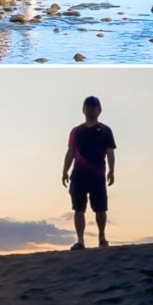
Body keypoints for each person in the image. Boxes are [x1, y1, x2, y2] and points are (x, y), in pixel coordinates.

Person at [62, 96, 117, 250]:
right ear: (83, 109)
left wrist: (112, 171)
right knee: (78, 208)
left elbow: (110, 152)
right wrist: (65, 170)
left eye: (94, 107)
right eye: (88, 106)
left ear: (99, 110)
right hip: (79, 174)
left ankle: (102, 237)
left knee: (100, 208)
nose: (91, 109)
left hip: (97, 175)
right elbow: (71, 151)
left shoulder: (105, 130)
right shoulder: (76, 131)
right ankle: (80, 240)